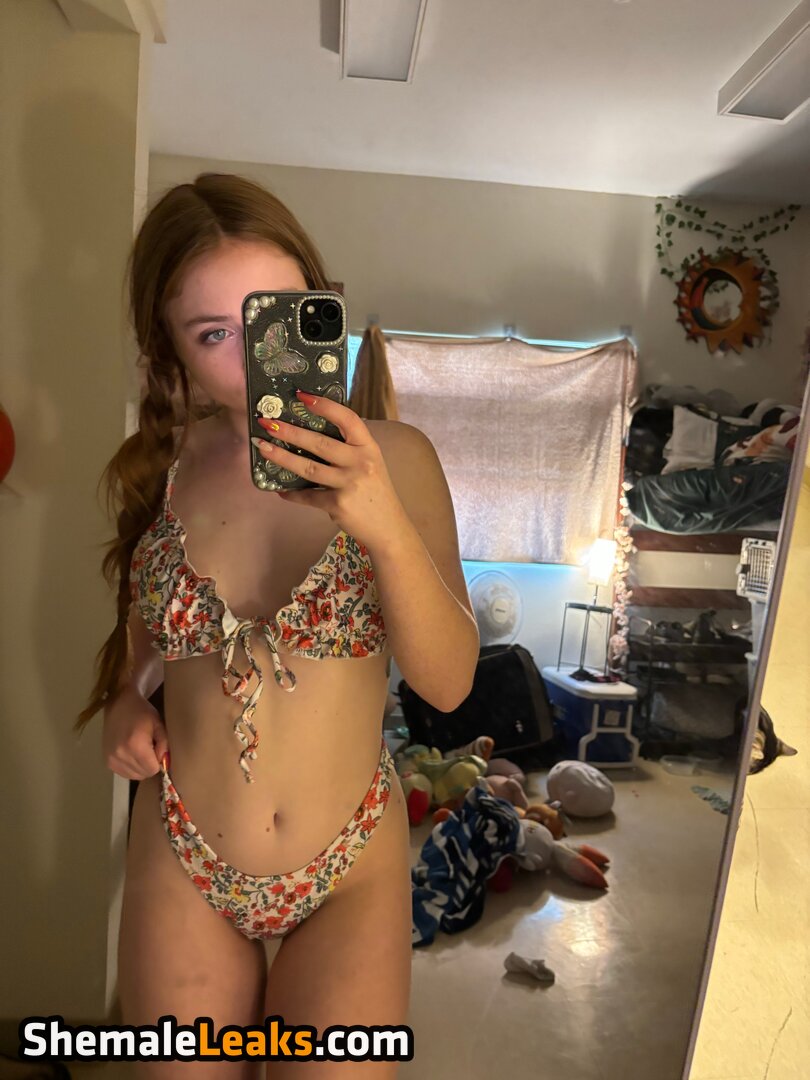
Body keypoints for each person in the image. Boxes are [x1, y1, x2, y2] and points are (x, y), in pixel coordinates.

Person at [76, 172, 479, 1077]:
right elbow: (146, 636)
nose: (257, 360)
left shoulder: (399, 459)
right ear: (170, 347)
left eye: (276, 317)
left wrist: (380, 521)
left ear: (318, 307)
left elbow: (450, 684)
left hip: (350, 867)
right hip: (184, 851)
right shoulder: (159, 470)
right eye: (215, 333)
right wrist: (125, 702)